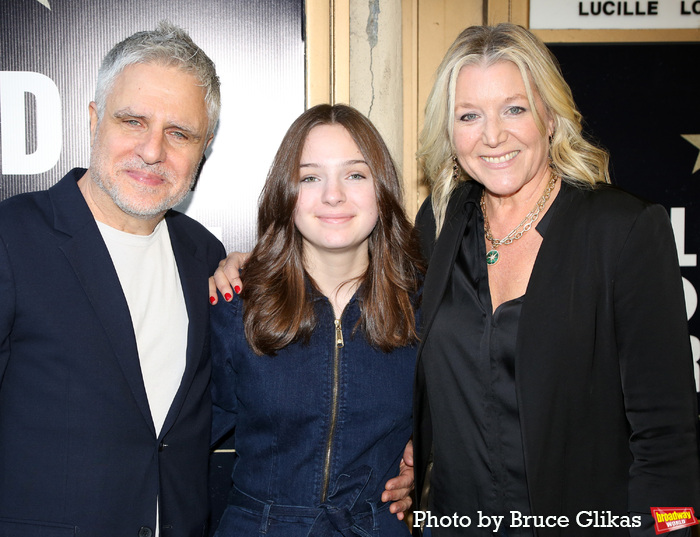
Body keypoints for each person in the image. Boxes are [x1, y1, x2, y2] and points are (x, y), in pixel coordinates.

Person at [411, 23, 700, 536]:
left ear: (550, 116)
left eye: (514, 108)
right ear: (449, 132)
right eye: (469, 115)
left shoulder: (623, 230)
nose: (493, 135)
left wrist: (672, 531)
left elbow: (667, 438)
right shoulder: (437, 223)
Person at [0, 22, 225, 537]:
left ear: (204, 147)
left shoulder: (204, 256)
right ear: (94, 119)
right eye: (133, 121)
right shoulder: (12, 238)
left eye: (179, 133)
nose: (152, 151)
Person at [209, 103, 424, 536]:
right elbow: (185, 442)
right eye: (310, 177)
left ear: (381, 190)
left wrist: (429, 466)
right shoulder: (238, 304)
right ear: (286, 193)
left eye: (355, 174)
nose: (333, 195)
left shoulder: (425, 306)